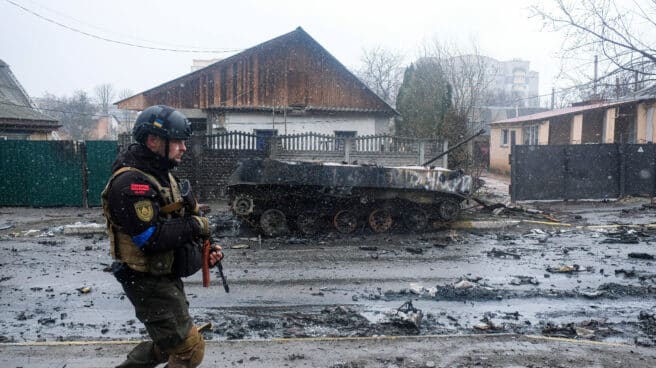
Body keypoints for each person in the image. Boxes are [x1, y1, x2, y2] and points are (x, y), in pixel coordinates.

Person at [102, 105, 223, 368]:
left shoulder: (162, 175)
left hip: (162, 276)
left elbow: (175, 222)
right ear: (153, 140)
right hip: (146, 280)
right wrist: (194, 226)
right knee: (188, 351)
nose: (184, 148)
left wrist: (205, 250)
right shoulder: (131, 184)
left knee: (168, 344)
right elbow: (150, 239)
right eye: (177, 141)